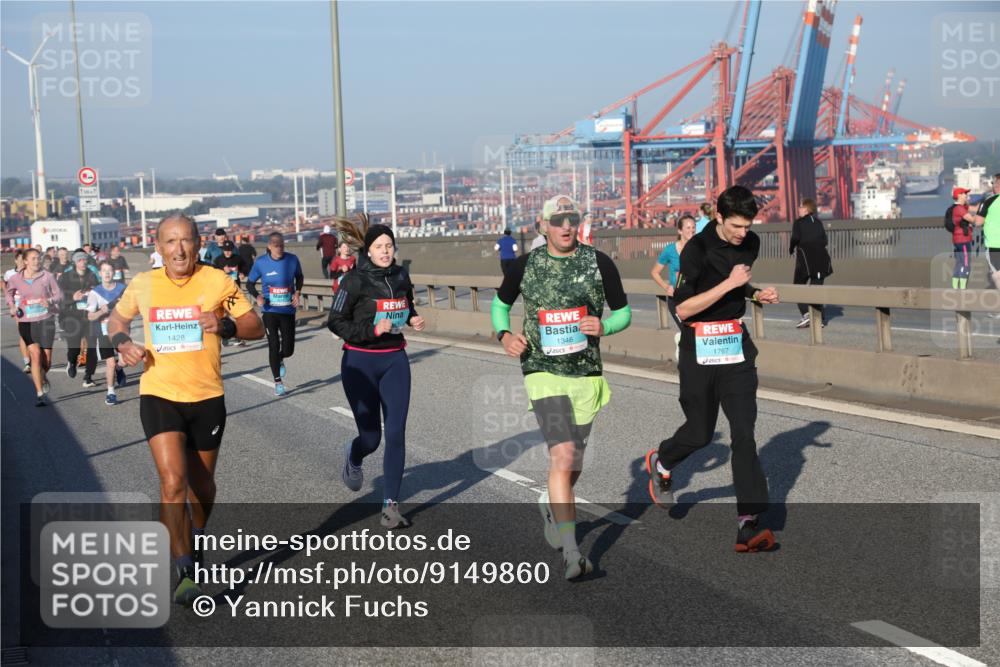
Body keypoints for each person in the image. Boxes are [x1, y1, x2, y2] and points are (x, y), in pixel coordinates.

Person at [107, 213, 264, 606]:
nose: (179, 249)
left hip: (207, 397)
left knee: (202, 487)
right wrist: (124, 343)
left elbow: (255, 326)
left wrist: (223, 326)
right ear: (158, 248)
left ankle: (194, 535)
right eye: (170, 242)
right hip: (159, 393)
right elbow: (116, 319)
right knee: (173, 482)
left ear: (198, 243)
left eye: (186, 241)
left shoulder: (217, 281)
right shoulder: (144, 283)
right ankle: (185, 571)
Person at [492, 194, 631, 580]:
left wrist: (606, 326)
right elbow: (500, 306)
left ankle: (549, 501)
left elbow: (623, 312)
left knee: (575, 464)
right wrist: (505, 336)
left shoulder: (599, 263)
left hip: (585, 372)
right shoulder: (526, 265)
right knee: (563, 456)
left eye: (572, 219)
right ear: (543, 225)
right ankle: (572, 553)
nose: (566, 226)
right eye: (558, 220)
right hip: (541, 369)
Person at [645, 185, 780, 553]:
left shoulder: (750, 243)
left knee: (744, 433)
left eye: (747, 225)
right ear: (718, 217)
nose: (743, 233)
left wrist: (753, 294)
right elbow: (684, 309)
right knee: (700, 433)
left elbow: (738, 286)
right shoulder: (695, 251)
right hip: (699, 349)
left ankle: (748, 523)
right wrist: (732, 284)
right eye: (736, 225)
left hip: (734, 348)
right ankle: (663, 460)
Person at [327, 215, 425, 529]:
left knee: (396, 433)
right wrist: (372, 328)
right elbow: (336, 322)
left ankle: (390, 507)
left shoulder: (401, 276)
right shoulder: (353, 280)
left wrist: (413, 320)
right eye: (379, 246)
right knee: (372, 438)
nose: (385, 251)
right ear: (368, 251)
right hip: (359, 362)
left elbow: (407, 305)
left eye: (389, 245)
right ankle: (354, 454)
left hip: (394, 360)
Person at [246, 232, 304, 396]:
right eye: (276, 245)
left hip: (287, 310)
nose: (279, 248)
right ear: (269, 246)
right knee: (273, 345)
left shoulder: (292, 260)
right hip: (269, 311)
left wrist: (298, 293)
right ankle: (278, 381)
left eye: (282, 245)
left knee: (288, 349)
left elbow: (299, 277)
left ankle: (281, 358)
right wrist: (257, 296)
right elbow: (250, 283)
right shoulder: (261, 263)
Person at [5, 248, 62, 406]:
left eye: (38, 258)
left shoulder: (47, 276)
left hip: (45, 319)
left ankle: (42, 376)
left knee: (47, 361)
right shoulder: (16, 278)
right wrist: (11, 305)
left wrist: (50, 301)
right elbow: (8, 292)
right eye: (33, 258)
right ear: (25, 261)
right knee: (35, 355)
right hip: (26, 321)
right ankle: (39, 393)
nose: (37, 261)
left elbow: (59, 294)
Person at [651, 214, 697, 358]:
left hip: (695, 298)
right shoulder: (670, 250)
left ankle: (686, 349)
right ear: (680, 231)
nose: (692, 230)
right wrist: (667, 287)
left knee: (697, 332)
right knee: (688, 331)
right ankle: (685, 355)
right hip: (676, 299)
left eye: (693, 227)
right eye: (688, 228)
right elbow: (655, 272)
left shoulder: (699, 249)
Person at [85, 261, 128, 405]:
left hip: (121, 330)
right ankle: (111, 392)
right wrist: (100, 312)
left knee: (124, 361)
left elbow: (133, 306)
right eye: (104, 271)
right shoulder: (95, 292)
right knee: (109, 362)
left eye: (110, 270)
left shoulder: (123, 289)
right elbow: (90, 316)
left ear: (114, 272)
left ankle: (120, 367)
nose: (107, 273)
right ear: (100, 274)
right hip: (104, 332)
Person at [789, 198, 832, 327]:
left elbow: (795, 238)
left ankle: (807, 315)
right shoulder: (818, 222)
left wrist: (791, 248)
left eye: (800, 206)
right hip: (822, 261)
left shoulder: (799, 223)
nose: (798, 208)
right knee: (816, 289)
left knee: (798, 287)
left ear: (806, 209)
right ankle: (819, 318)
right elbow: (825, 241)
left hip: (806, 261)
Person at [58, 251, 99, 384]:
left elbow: (99, 293)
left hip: (89, 316)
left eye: (85, 260)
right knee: (74, 348)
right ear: (75, 262)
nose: (83, 263)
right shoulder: (65, 277)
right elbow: (60, 300)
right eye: (80, 260)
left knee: (92, 347)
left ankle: (88, 377)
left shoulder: (92, 276)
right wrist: (72, 298)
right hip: (72, 316)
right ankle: (71, 362)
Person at [974, 173, 1000, 314]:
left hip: (995, 245)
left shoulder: (989, 201)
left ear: (996, 185)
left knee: (997, 276)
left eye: (993, 184)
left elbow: (978, 222)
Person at [3, 250, 32, 373]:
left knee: (34, 333)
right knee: (23, 333)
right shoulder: (10, 274)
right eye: (19, 260)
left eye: (23, 260)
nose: (21, 263)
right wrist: (11, 305)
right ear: (15, 260)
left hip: (32, 306)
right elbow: (5, 287)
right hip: (18, 308)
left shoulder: (30, 272)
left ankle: (36, 357)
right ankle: (27, 362)